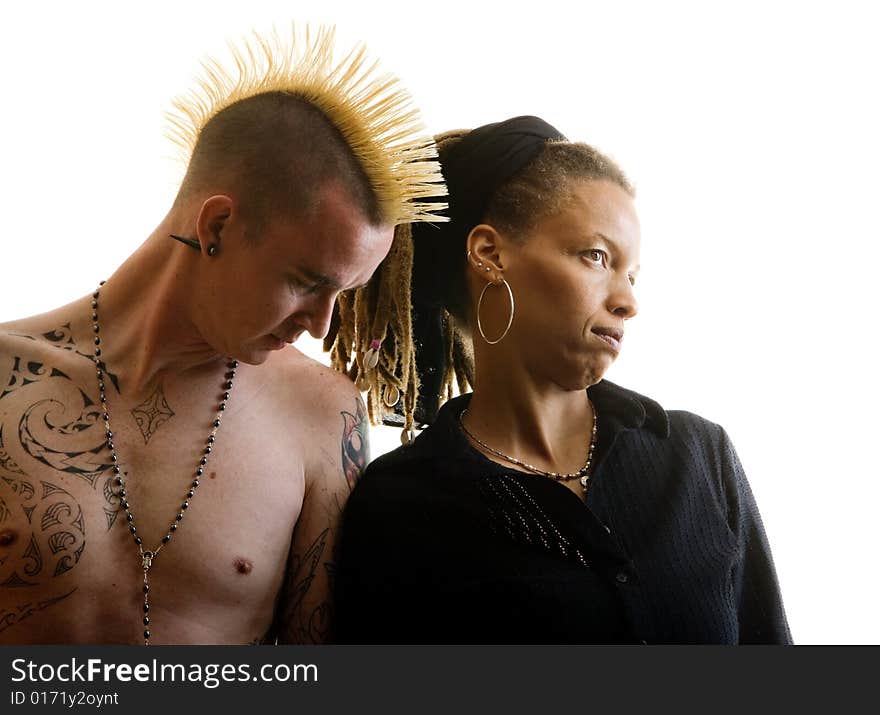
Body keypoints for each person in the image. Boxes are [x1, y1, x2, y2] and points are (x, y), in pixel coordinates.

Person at [0, 26, 446, 644]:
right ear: (218, 226)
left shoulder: (321, 416)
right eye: (306, 281)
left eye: (345, 293)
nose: (322, 323)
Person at [329, 115, 792, 644]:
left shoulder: (697, 456)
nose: (628, 301)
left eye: (632, 274)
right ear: (489, 254)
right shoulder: (401, 506)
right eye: (596, 257)